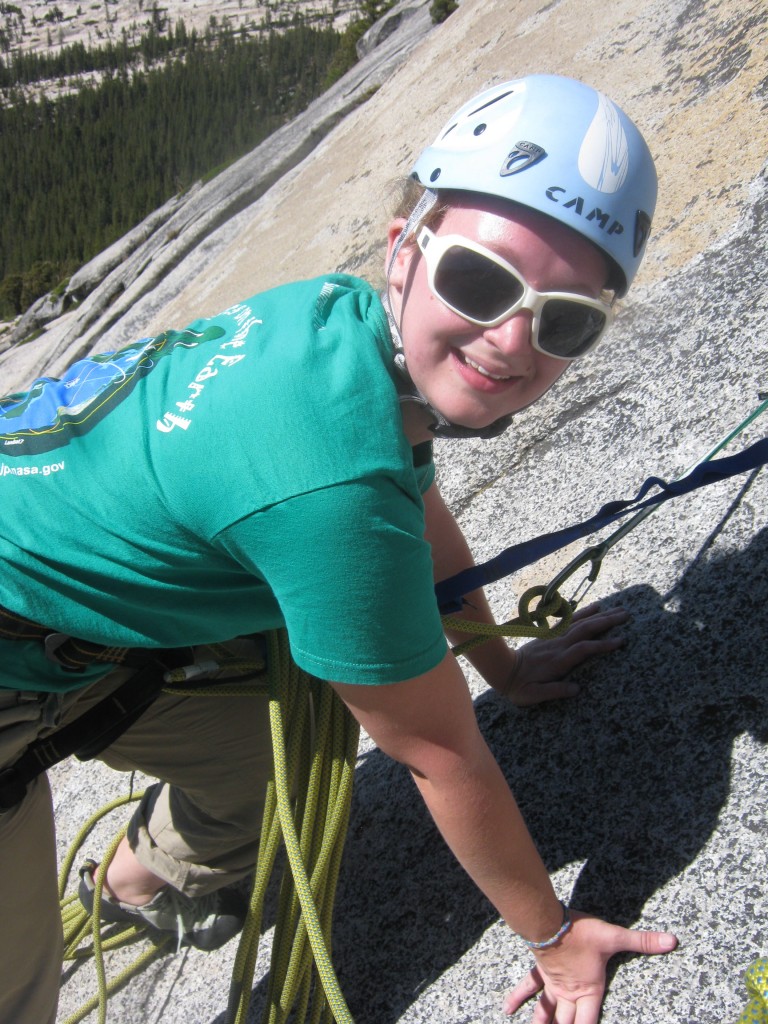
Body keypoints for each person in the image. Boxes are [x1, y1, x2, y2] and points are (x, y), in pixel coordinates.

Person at [0, 73, 677, 1024]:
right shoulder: (325, 479)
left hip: (56, 611)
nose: (512, 339)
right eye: (479, 282)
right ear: (406, 248)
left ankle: (140, 886)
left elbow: (419, 505)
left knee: (260, 761)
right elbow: (439, 753)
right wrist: (554, 941)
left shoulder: (343, 326)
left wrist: (504, 670)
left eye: (566, 320)